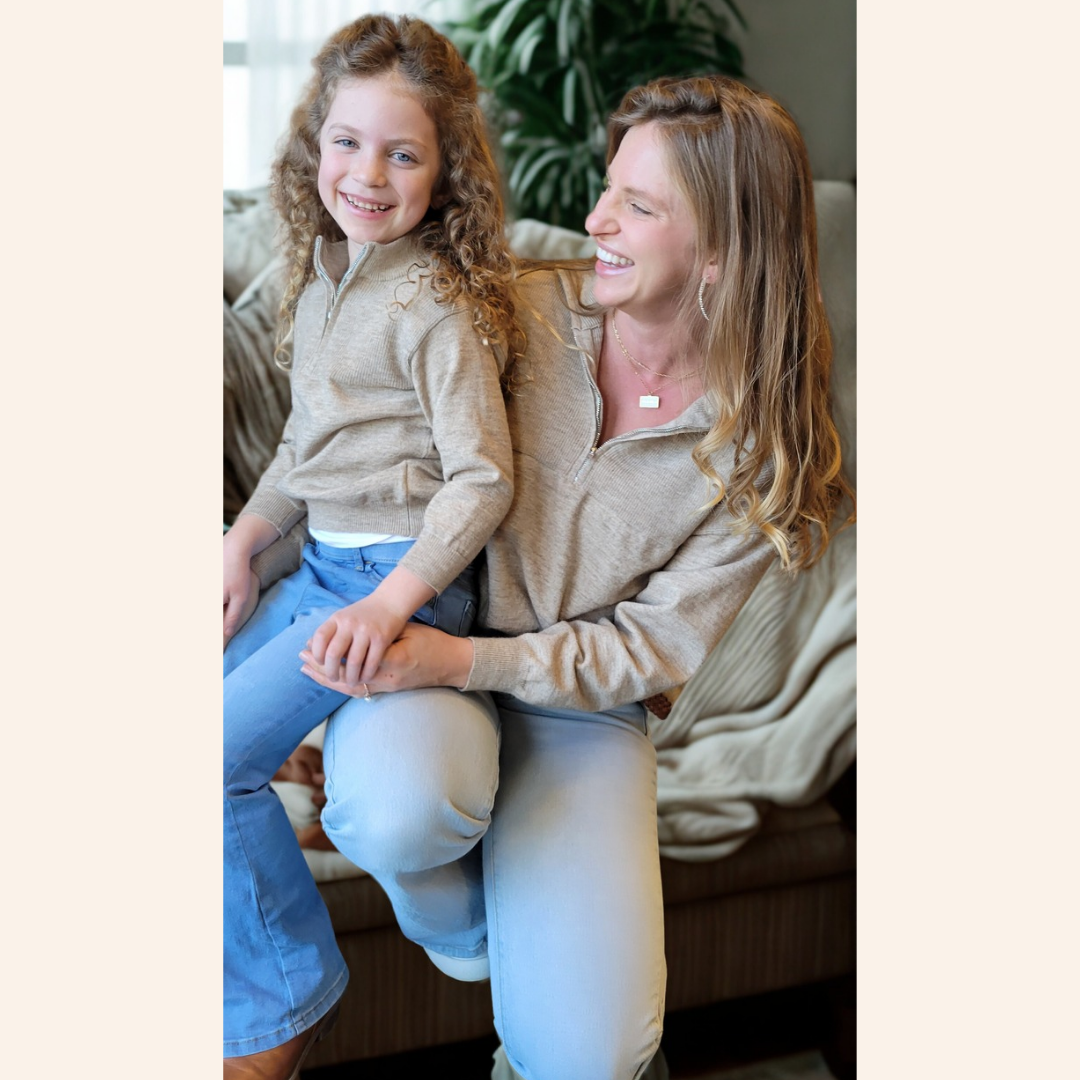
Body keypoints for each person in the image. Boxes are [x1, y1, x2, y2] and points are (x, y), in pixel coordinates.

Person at [234, 72, 855, 1080]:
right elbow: (347, 440)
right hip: (426, 639)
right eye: (609, 188)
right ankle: (472, 930)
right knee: (398, 807)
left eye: (637, 207)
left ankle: (544, 970)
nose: (594, 219)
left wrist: (464, 664)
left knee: (593, 1060)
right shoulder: (511, 309)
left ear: (724, 252)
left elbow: (651, 647)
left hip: (577, 706)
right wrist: (248, 542)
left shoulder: (764, 445)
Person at [222, 14, 522, 1077]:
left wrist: (389, 605)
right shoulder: (322, 275)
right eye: (347, 142)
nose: (367, 173)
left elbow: (484, 480)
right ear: (315, 141)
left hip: (393, 581)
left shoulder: (434, 303)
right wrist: (241, 541)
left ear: (446, 174)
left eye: (403, 154)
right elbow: (305, 449)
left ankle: (280, 1002)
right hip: (314, 566)